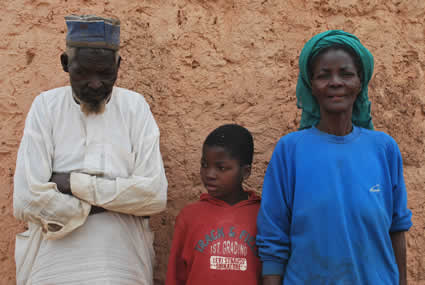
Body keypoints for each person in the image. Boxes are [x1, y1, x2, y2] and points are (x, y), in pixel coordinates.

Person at [13, 15, 167, 285]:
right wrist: (118, 201)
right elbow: (26, 199)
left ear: (118, 66)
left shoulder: (135, 108)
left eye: (105, 73)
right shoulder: (46, 107)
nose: (95, 83)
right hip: (51, 262)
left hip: (123, 260)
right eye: (83, 72)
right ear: (65, 64)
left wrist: (72, 183)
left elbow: (154, 196)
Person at [257, 30, 412, 285]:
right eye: (323, 75)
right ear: (311, 85)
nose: (336, 82)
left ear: (360, 82)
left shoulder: (384, 149)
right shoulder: (290, 151)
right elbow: (273, 239)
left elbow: (397, 229)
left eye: (346, 73)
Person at [165, 124, 261, 285]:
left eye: (221, 168)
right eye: (204, 165)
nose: (209, 174)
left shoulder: (262, 215)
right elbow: (176, 276)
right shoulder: (189, 216)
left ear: (245, 172)